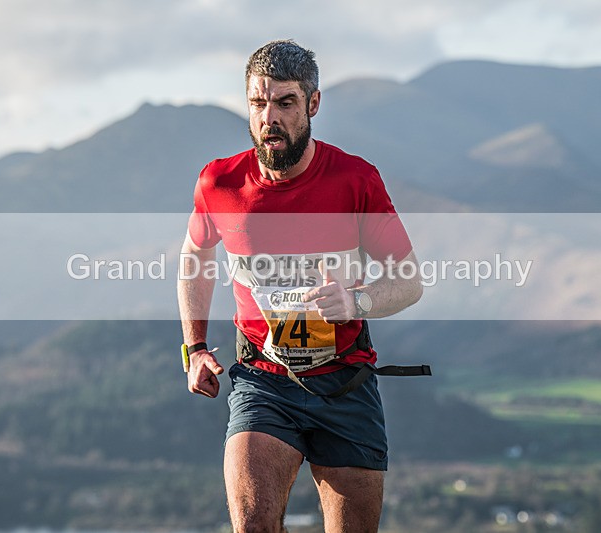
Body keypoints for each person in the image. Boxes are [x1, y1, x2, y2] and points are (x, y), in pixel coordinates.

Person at [177, 40, 422, 533]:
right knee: (252, 526)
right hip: (263, 379)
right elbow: (196, 253)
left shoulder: (355, 180)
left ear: (312, 104)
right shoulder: (219, 183)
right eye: (258, 103)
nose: (269, 117)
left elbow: (409, 279)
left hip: (344, 381)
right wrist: (195, 347)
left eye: (285, 103)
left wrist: (357, 301)